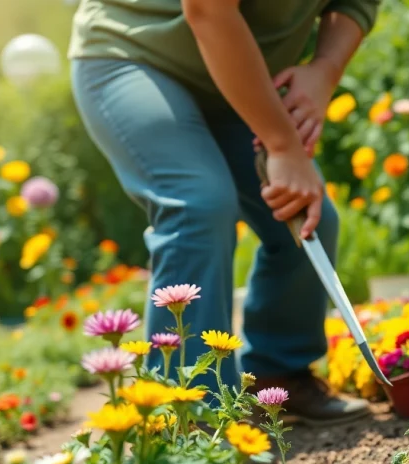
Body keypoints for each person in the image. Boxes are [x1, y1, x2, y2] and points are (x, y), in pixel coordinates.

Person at [68, 0, 378, 426]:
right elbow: (208, 10)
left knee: (309, 218)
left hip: (241, 75)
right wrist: (283, 144)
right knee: (197, 202)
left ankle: (276, 377)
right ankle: (191, 418)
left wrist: (325, 68)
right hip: (136, 55)